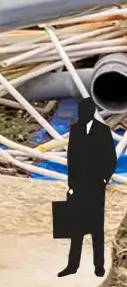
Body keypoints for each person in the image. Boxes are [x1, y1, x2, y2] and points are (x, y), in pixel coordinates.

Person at [60, 95, 117, 277]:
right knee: (76, 228)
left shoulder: (102, 130)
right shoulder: (75, 130)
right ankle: (72, 266)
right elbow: (71, 158)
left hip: (95, 185)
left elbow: (110, 157)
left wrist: (103, 180)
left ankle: (98, 266)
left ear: (91, 112)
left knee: (96, 229)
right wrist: (71, 184)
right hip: (78, 185)